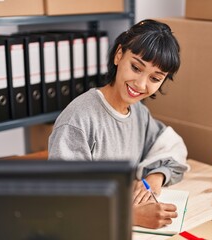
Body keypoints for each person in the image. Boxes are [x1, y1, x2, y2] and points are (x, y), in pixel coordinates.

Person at [48, 19, 189, 229]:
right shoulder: (78, 120)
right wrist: (130, 215)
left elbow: (172, 148)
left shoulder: (140, 114)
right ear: (118, 55)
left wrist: (154, 178)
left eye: (155, 78)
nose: (141, 84)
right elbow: (65, 199)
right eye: (135, 67)